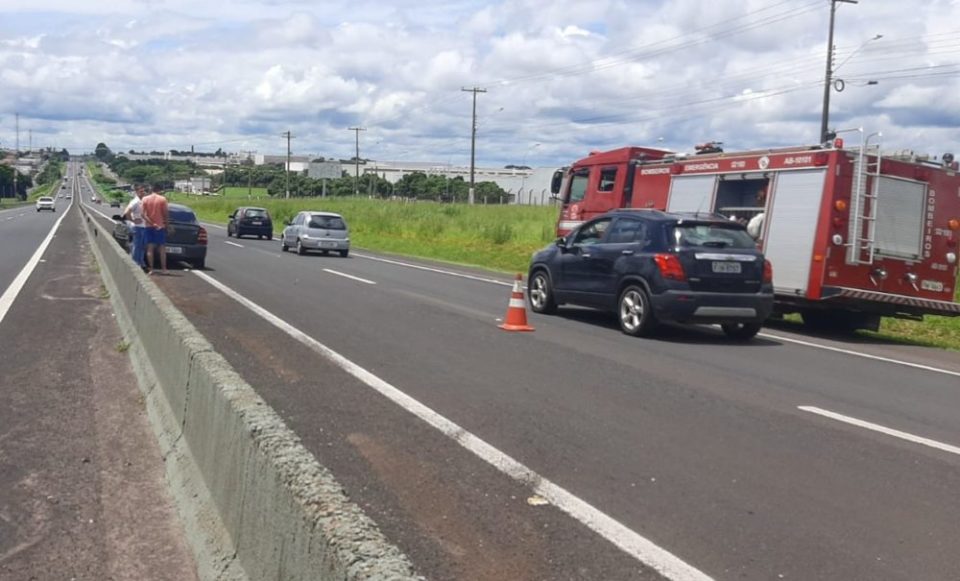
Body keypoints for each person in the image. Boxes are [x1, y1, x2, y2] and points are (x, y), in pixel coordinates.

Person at [142, 185, 171, 275]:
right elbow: (165, 214)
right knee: (162, 248)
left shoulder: (145, 199)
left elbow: (143, 214)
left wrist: (151, 223)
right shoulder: (162, 199)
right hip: (160, 226)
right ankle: (164, 269)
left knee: (150, 248)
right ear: (159, 190)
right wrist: (167, 225)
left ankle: (151, 269)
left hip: (148, 227)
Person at [123, 184, 148, 271]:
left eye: (144, 191)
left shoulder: (143, 201)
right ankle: (134, 263)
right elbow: (127, 212)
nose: (143, 193)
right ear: (137, 192)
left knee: (142, 246)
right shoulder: (135, 201)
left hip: (143, 227)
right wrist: (133, 220)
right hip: (137, 227)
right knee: (137, 245)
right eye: (141, 191)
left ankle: (140, 262)